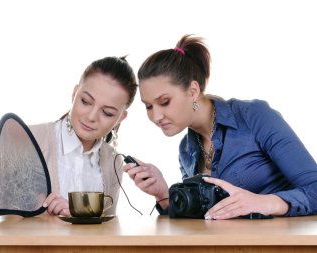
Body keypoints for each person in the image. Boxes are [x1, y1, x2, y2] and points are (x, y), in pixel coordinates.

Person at [124, 34, 317, 219]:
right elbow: (206, 217)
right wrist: (163, 194)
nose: (155, 116)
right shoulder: (187, 149)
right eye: (148, 106)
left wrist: (265, 203)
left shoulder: (254, 116)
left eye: (164, 102)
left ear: (193, 91)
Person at [0, 56, 137, 221]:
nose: (91, 116)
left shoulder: (113, 161)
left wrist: (78, 216)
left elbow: (107, 231)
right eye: (85, 101)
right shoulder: (27, 140)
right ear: (75, 93)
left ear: (120, 118)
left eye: (108, 112)